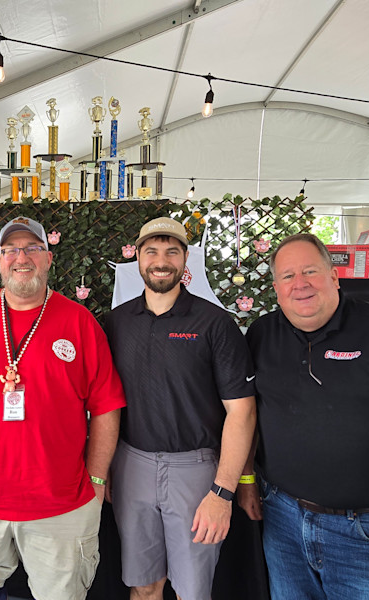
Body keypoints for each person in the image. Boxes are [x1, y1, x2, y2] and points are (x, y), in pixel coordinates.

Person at [0, 216, 126, 600]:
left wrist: (97, 480)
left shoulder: (80, 323)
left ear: (48, 259)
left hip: (60, 501)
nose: (22, 257)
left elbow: (106, 407)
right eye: (11, 249)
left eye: (32, 248)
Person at [239, 232, 369, 600]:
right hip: (283, 521)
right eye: (287, 276)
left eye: (310, 271)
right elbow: (249, 415)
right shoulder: (262, 334)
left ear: (334, 276)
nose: (300, 284)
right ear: (276, 287)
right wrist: (247, 479)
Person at [104, 216, 256, 600]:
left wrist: (223, 492)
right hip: (130, 466)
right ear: (137, 258)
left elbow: (242, 413)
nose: (161, 260)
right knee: (143, 584)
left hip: (196, 471)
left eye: (172, 251)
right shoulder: (115, 323)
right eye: (151, 251)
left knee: (192, 590)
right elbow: (101, 405)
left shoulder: (215, 323)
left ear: (186, 259)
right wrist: (102, 469)